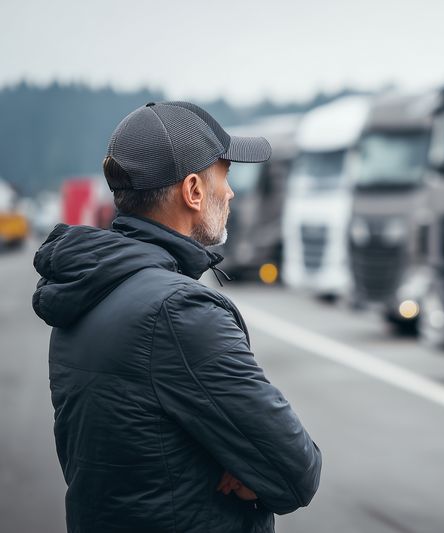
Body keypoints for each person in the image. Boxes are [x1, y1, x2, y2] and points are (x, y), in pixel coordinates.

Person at [31, 101, 322, 532]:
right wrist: (247, 468)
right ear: (193, 191)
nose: (231, 192)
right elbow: (297, 471)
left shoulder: (87, 291)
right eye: (224, 174)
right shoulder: (179, 311)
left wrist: (245, 463)